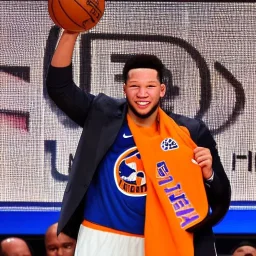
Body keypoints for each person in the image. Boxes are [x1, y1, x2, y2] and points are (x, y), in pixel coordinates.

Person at [46, 30, 231, 256]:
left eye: (150, 86)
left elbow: (222, 199)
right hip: (101, 237)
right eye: (135, 86)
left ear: (162, 90)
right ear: (124, 88)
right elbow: (59, 88)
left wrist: (209, 175)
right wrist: (71, 33)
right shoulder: (101, 115)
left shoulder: (189, 132)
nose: (142, 93)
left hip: (161, 241)